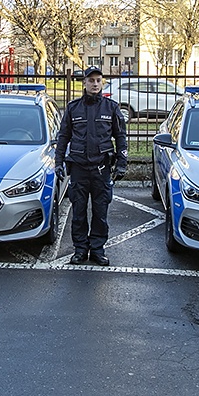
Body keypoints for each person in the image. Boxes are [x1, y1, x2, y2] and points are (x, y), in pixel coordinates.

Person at [55, 66, 128, 266]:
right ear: (84, 83)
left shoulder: (111, 108)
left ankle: (97, 249)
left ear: (102, 82)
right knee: (78, 213)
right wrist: (58, 162)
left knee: (100, 212)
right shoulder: (73, 108)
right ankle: (80, 250)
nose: (95, 84)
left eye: (98, 80)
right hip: (78, 168)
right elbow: (63, 137)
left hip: (101, 169)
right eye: (91, 81)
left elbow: (121, 137)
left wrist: (122, 163)